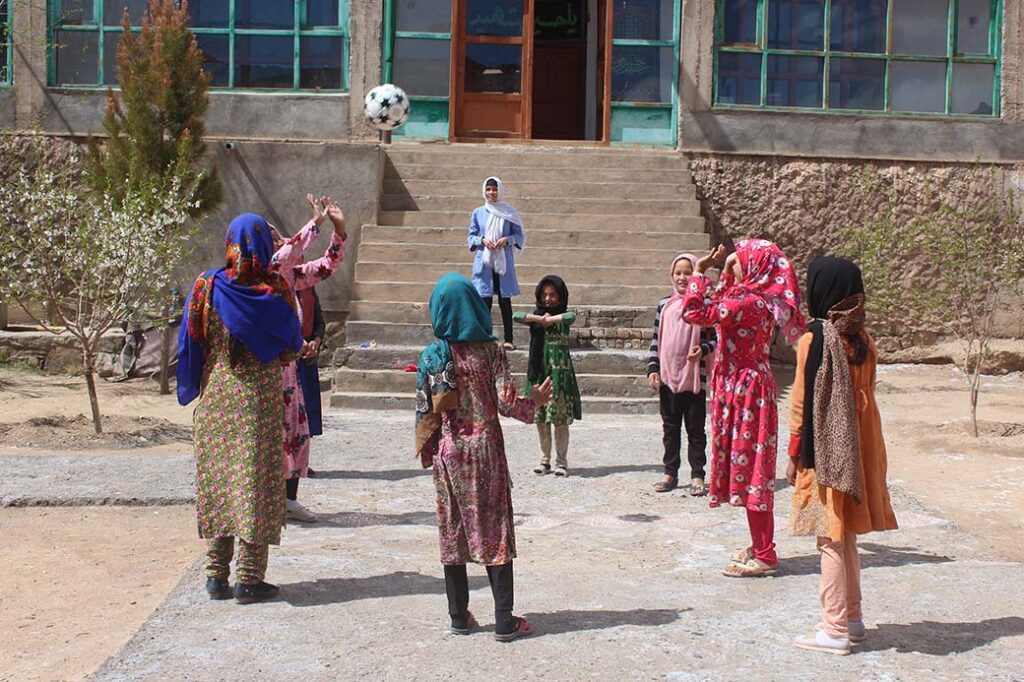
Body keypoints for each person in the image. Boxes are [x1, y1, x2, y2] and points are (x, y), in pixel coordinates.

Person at [415, 273, 553, 641]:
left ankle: (459, 615)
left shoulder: (433, 355)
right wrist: (535, 402)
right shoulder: (490, 351)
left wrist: (429, 452)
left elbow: (424, 409)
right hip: (485, 455)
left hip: (449, 454)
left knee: (453, 532)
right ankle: (504, 620)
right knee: (494, 531)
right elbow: (507, 402)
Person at [177, 213, 303, 605]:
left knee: (221, 483)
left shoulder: (205, 286)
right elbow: (289, 347)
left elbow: (191, 341)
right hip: (258, 404)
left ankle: (215, 577)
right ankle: (249, 578)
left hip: (215, 401)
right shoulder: (276, 290)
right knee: (255, 485)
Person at [786, 257, 898, 655]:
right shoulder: (864, 339)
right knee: (846, 533)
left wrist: (794, 453)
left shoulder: (814, 339)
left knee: (830, 536)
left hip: (829, 451)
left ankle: (833, 629)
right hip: (864, 448)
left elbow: (801, 403)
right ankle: (852, 618)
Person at [682, 239, 805, 578]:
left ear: (752, 267)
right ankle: (761, 544)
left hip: (746, 391)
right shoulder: (757, 299)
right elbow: (719, 301)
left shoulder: (746, 301)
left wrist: (698, 271)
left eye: (736, 262)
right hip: (748, 387)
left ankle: (765, 554)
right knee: (752, 467)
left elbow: (694, 312)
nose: (729, 268)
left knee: (753, 472)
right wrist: (717, 273)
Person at [269, 194, 347, 523]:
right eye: (272, 238)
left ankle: (289, 499)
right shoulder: (263, 272)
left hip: (291, 369)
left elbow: (326, 266)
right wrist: (316, 222)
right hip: (265, 369)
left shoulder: (290, 276)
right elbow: (290, 251)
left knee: (297, 432)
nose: (281, 242)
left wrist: (339, 229)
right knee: (270, 433)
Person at [647, 254, 717, 495]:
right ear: (671, 275)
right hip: (669, 376)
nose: (682, 277)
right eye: (678, 272)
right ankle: (670, 472)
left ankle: (697, 475)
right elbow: (656, 339)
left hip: (694, 377)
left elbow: (713, 339)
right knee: (670, 427)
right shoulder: (664, 305)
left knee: (696, 430)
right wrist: (653, 368)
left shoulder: (703, 306)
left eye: (688, 272)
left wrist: (702, 351)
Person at [513, 275, 581, 477]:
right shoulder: (537, 317)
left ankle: (562, 462)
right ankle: (544, 460)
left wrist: (550, 319)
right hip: (540, 371)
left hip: (560, 373)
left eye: (552, 294)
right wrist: (539, 319)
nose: (548, 298)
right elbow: (516, 315)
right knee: (541, 418)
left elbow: (571, 317)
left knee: (560, 419)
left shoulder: (563, 317)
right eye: (544, 294)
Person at [468, 176, 525, 349]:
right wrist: (482, 240)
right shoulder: (478, 212)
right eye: (488, 189)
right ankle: (486, 338)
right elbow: (471, 237)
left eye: (494, 189)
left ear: (500, 190)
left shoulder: (509, 212)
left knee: (504, 301)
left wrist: (506, 240)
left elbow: (519, 235)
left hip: (503, 262)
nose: (491, 193)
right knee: (484, 302)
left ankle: (509, 339)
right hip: (485, 262)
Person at [296, 287, 326, 477]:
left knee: (308, 408)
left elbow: (319, 320)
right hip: (289, 356)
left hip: (307, 358)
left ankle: (303, 461)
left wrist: (316, 339)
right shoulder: (278, 288)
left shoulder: (308, 289)